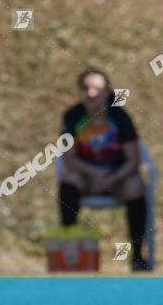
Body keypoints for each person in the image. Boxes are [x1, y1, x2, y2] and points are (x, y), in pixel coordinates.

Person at [58, 67, 150, 271]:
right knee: (69, 179)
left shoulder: (120, 117)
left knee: (135, 186)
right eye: (85, 88)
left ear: (107, 91)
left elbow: (133, 161)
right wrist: (93, 174)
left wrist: (110, 179)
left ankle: (137, 256)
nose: (91, 93)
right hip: (86, 174)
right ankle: (69, 251)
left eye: (97, 89)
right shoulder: (72, 116)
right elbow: (69, 159)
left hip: (116, 176)